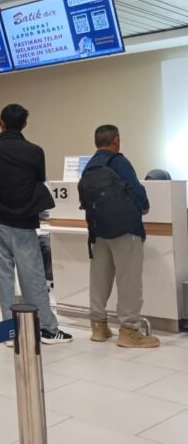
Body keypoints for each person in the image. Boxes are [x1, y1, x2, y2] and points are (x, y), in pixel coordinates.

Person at [0, 104, 72, 344]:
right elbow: (38, 181)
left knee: (4, 279)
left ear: (1, 123)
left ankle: (10, 331)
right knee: (33, 277)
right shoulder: (35, 151)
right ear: (24, 124)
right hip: (24, 222)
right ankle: (47, 329)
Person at [83, 125, 159, 348]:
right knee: (129, 282)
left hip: (98, 231)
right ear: (116, 140)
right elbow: (136, 191)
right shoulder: (119, 162)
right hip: (126, 230)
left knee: (99, 280)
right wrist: (144, 207)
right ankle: (128, 331)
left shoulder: (90, 165)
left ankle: (99, 327)